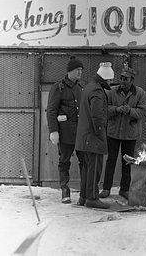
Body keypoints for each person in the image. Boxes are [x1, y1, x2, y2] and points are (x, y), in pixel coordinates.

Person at [99, 66, 146, 200]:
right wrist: (117, 109)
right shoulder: (111, 92)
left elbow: (144, 112)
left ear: (132, 80)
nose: (122, 81)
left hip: (130, 134)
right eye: (121, 78)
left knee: (127, 163)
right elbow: (104, 109)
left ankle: (125, 189)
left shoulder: (140, 93)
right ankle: (106, 188)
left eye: (125, 79)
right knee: (111, 160)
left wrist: (130, 111)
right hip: (113, 133)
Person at [75, 62, 114, 209]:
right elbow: (97, 114)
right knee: (94, 168)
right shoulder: (97, 91)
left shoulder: (89, 86)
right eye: (109, 80)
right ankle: (92, 198)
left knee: (86, 168)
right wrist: (99, 132)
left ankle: (83, 197)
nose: (110, 83)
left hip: (84, 136)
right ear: (105, 78)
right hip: (93, 137)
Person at [47, 56, 84, 204]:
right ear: (70, 71)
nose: (80, 72)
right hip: (65, 133)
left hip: (81, 133)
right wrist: (53, 131)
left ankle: (85, 190)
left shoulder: (82, 87)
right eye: (77, 70)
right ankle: (65, 190)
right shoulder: (58, 87)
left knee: (85, 161)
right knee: (64, 162)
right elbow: (51, 111)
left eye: (81, 70)